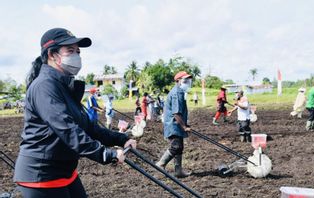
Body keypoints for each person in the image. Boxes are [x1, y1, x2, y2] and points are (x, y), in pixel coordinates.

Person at [14, 28, 137, 198]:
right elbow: (67, 129)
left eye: (78, 52)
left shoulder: (64, 86)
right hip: (41, 174)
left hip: (65, 170)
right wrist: (105, 154)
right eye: (70, 51)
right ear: (52, 54)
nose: (76, 56)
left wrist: (121, 139)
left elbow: (89, 127)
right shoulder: (44, 86)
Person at [156, 71, 192, 178]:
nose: (187, 83)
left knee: (180, 147)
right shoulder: (177, 93)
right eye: (185, 81)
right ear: (178, 81)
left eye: (188, 81)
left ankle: (178, 171)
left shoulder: (180, 91)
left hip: (177, 125)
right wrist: (184, 127)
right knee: (176, 146)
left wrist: (185, 125)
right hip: (173, 125)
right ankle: (160, 164)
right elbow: (176, 113)